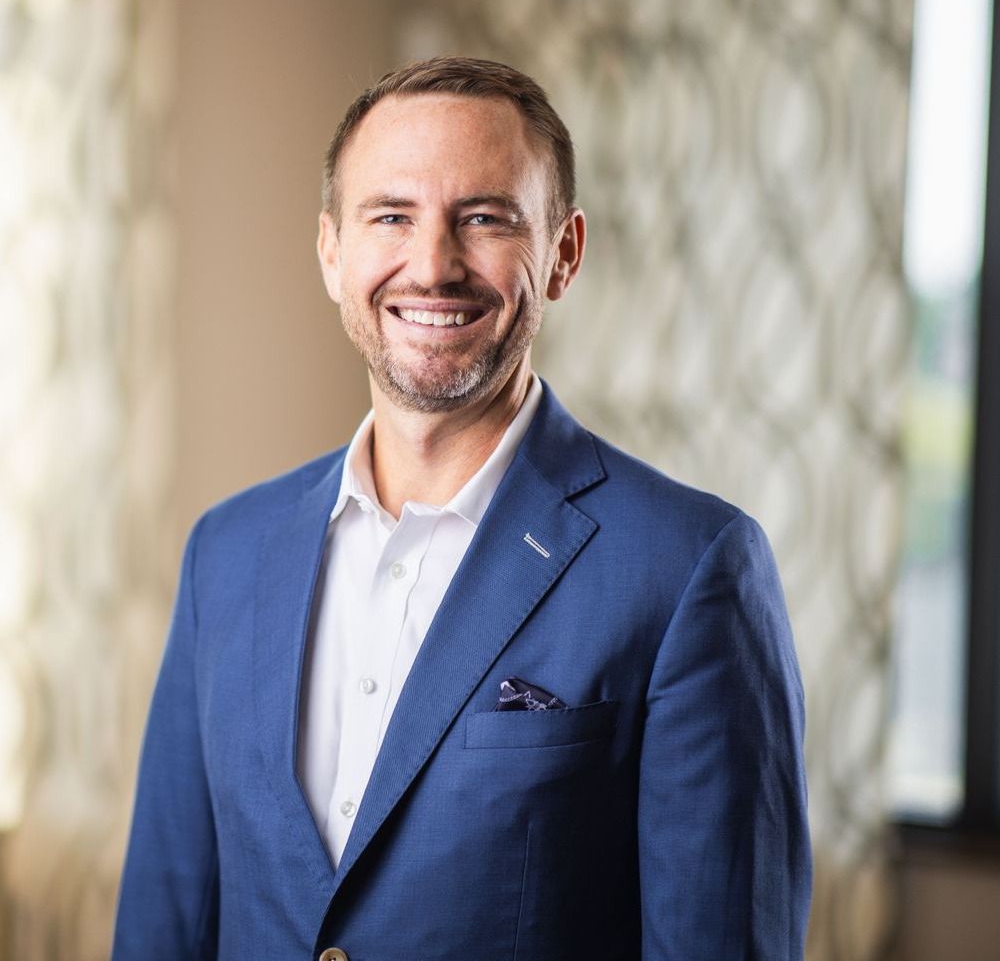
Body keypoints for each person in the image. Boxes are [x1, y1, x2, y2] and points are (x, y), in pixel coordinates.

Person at [113, 56, 811, 960]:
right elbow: (163, 931)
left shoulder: (692, 568)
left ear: (562, 253)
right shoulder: (226, 554)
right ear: (332, 252)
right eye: (391, 216)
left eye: (483, 218)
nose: (432, 264)